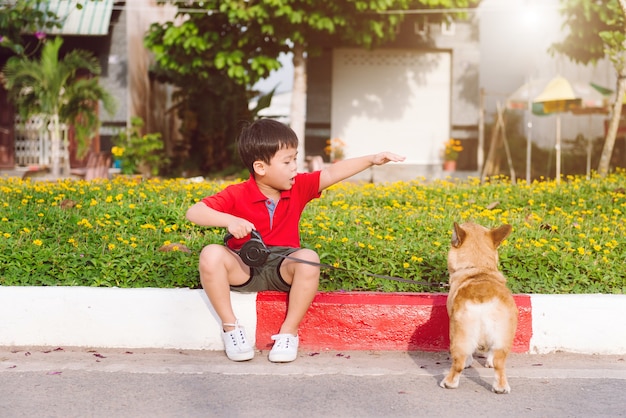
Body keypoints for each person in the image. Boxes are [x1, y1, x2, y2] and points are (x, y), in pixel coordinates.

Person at [186, 118, 405, 363]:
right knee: (210, 254)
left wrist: (372, 159)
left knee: (309, 258)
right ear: (260, 167)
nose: (294, 168)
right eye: (287, 161)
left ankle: (289, 332)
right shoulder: (237, 193)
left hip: (283, 266)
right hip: (244, 267)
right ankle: (231, 329)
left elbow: (332, 172)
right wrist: (229, 221)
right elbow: (194, 212)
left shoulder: (298, 186)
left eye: (295, 159)